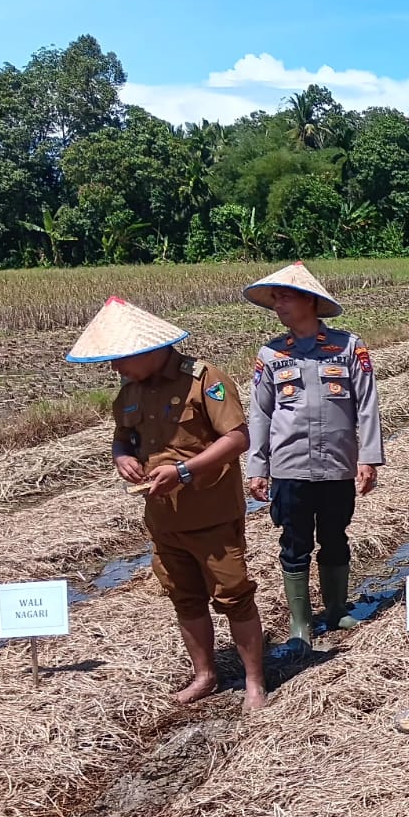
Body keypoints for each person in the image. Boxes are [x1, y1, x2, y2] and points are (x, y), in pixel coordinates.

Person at [67, 296, 267, 709]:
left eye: (120, 358)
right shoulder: (129, 394)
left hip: (211, 513)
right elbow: (123, 437)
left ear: (149, 349)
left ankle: (254, 681)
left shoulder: (204, 379)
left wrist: (184, 472)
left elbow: (237, 439)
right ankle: (205, 675)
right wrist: (121, 456)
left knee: (233, 595)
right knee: (184, 596)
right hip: (163, 518)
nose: (115, 368)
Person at [243, 262, 384, 650]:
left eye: (286, 296)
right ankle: (300, 622)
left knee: (335, 536)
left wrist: (368, 457)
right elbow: (261, 412)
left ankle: (337, 609)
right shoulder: (271, 354)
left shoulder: (348, 347)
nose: (278, 304)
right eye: (275, 298)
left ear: (310, 301)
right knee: (294, 542)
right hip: (290, 467)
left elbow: (367, 405)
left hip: (337, 463)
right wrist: (258, 466)